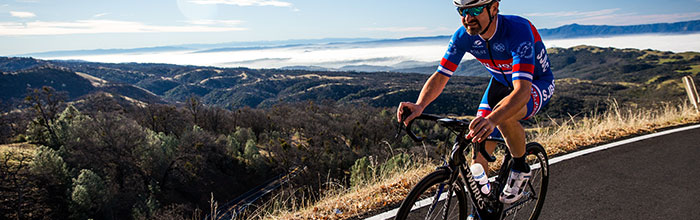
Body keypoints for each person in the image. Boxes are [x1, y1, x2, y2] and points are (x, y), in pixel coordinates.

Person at [397, 0, 555, 204]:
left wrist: (492, 120)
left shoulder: (518, 30)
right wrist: (419, 105)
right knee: (478, 147)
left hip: (535, 83)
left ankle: (520, 167)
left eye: (475, 10)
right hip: (499, 83)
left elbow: (522, 92)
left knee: (502, 117)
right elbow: (441, 75)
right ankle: (485, 205)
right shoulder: (463, 36)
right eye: (462, 11)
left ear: (494, 8)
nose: (467, 18)